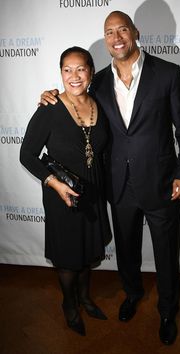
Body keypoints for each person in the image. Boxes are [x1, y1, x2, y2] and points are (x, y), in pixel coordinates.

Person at [39, 11, 180, 345]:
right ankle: (132, 293)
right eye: (109, 31)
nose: (116, 37)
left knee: (166, 253)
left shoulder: (168, 74)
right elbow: (75, 103)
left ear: (135, 33)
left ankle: (168, 311)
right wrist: (48, 97)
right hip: (117, 184)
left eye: (122, 29)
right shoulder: (95, 82)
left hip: (162, 183)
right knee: (126, 249)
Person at [20, 46, 112, 336]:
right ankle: (69, 305)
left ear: (91, 72)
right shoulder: (49, 109)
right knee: (68, 255)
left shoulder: (100, 103)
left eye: (80, 69)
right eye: (67, 69)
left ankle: (85, 298)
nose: (74, 76)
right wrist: (55, 184)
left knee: (87, 251)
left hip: (92, 192)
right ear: (60, 73)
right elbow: (27, 155)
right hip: (62, 194)